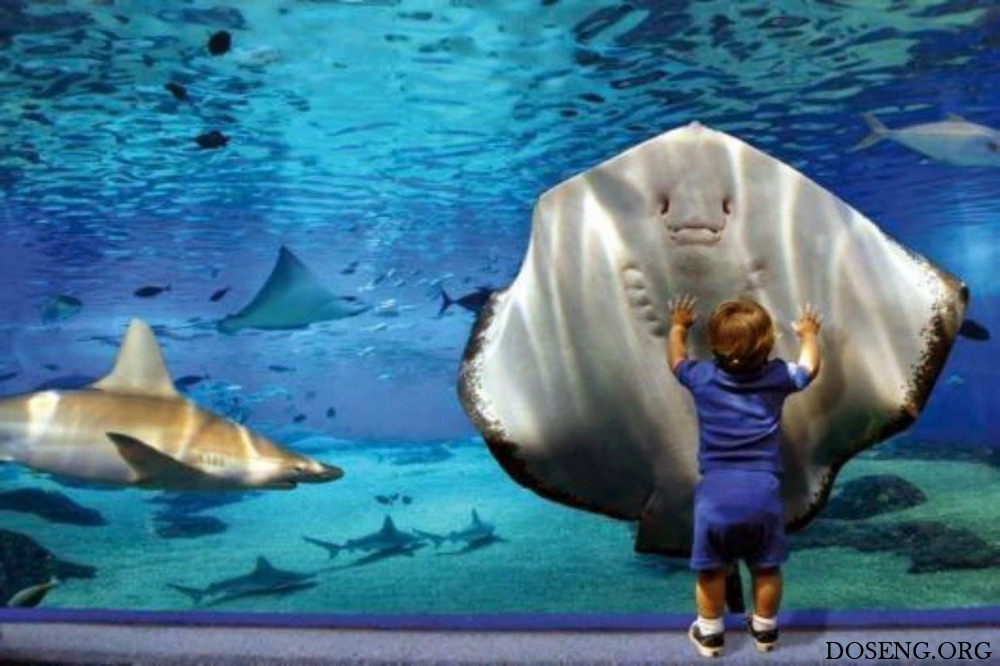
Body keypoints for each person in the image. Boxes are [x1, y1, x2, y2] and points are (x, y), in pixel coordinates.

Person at [667, 295, 822, 658]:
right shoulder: (777, 377)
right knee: (766, 566)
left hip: (715, 493)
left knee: (711, 569)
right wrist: (808, 335)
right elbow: (808, 369)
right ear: (767, 345)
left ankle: (710, 634)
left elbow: (676, 361)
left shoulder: (702, 377)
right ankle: (765, 630)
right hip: (762, 491)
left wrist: (677, 327)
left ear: (714, 347)